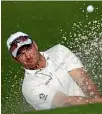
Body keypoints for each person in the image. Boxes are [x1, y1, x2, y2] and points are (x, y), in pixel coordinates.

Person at [7, 32, 102, 110]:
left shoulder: (59, 51)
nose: (28, 56)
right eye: (21, 54)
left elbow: (84, 80)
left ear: (35, 45)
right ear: (16, 60)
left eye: (28, 48)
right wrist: (96, 103)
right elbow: (66, 102)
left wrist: (97, 106)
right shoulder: (29, 87)